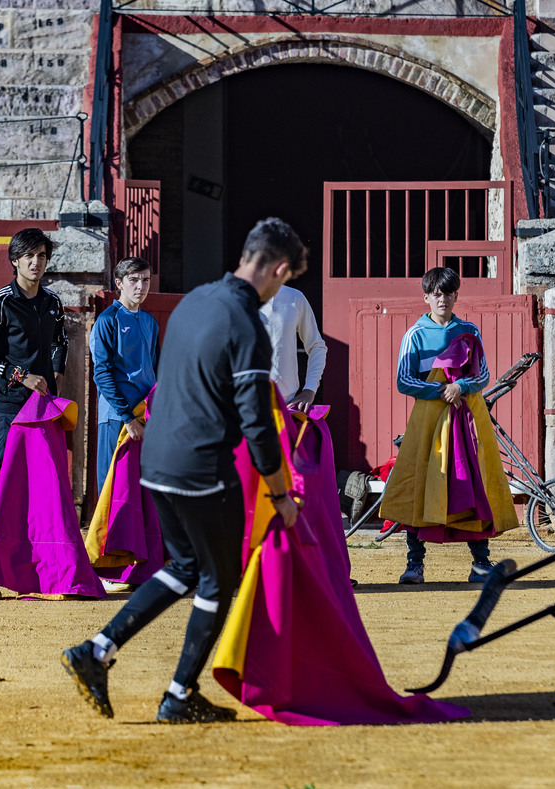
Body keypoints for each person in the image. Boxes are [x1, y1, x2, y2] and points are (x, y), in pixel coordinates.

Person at [61, 217, 303, 724]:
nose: (279, 291)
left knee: (184, 568)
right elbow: (257, 422)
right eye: (285, 281)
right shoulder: (247, 325)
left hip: (158, 460)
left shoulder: (194, 301)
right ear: (277, 269)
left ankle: (97, 649)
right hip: (202, 467)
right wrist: (281, 493)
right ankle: (177, 694)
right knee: (219, 578)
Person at [380, 267, 518, 585]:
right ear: (427, 297)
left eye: (448, 293)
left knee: (471, 483)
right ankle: (415, 564)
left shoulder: (468, 331)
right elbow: (404, 380)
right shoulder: (415, 335)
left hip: (466, 419)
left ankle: (481, 563)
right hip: (428, 421)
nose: (443, 299)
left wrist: (463, 387)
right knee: (419, 486)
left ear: (456, 295)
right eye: (437, 294)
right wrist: (444, 390)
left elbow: (482, 376)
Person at [0, 228, 68, 600]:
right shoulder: (0, 302)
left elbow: (61, 340)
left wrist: (56, 371)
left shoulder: (53, 301)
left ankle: (51, 567)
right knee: (2, 482)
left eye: (42, 255)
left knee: (48, 484)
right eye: (29, 255)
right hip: (11, 405)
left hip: (45, 406)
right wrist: (20, 375)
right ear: (14, 260)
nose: (36, 262)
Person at [89, 257, 159, 491]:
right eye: (134, 280)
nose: (141, 286)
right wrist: (127, 418)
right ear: (119, 283)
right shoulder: (108, 320)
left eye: (146, 280)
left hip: (145, 415)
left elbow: (154, 372)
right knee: (113, 485)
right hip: (118, 417)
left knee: (141, 488)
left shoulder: (150, 322)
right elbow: (102, 374)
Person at [258, 284, 326, 414]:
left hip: (286, 408)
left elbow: (317, 346)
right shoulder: (234, 298)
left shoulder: (295, 297)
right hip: (244, 409)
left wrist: (310, 389)